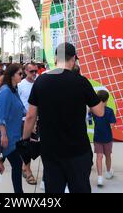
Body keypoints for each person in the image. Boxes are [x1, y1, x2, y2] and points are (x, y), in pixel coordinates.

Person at [23, 43, 104, 193]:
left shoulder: (41, 81)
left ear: (55, 58)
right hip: (78, 151)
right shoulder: (81, 82)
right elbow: (99, 112)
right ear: (73, 59)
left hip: (51, 151)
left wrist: (25, 140)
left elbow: (30, 116)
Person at [0, 63, 26, 193]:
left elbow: (22, 109)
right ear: (12, 75)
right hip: (6, 138)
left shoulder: (14, 89)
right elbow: (0, 116)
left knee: (13, 166)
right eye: (20, 74)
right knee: (15, 165)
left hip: (14, 135)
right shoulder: (5, 91)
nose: (22, 76)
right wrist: (3, 135)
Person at [18, 63, 38, 185]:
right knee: (26, 145)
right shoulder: (20, 86)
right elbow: (18, 103)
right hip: (25, 120)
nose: (34, 73)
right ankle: (28, 171)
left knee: (33, 147)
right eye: (31, 71)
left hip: (37, 120)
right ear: (25, 71)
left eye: (36, 71)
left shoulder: (39, 83)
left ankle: (24, 167)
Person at [93, 90, 116, 187]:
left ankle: (99, 178)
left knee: (99, 156)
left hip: (97, 137)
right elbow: (112, 124)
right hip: (107, 138)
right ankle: (108, 172)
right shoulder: (109, 111)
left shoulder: (94, 110)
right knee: (108, 155)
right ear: (106, 100)